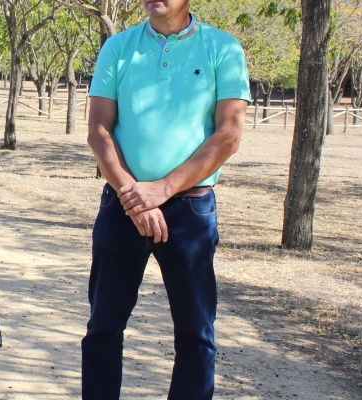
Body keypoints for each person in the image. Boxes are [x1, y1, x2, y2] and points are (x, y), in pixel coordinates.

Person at [81, 0, 251, 398]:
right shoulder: (118, 47)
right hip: (123, 206)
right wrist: (134, 195)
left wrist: (162, 189)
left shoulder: (223, 48)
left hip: (190, 210)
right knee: (103, 327)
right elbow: (98, 131)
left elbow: (228, 135)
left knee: (195, 332)